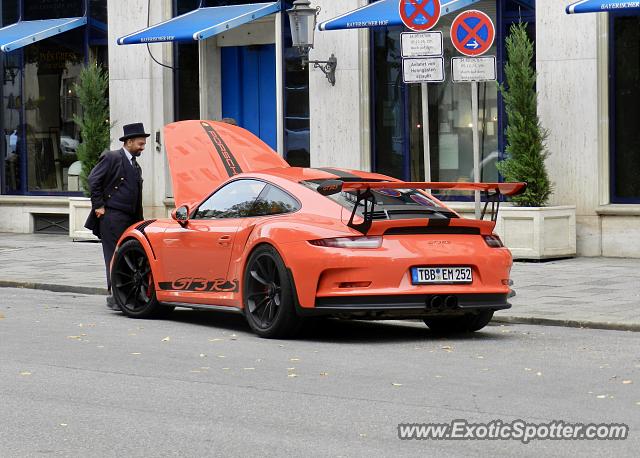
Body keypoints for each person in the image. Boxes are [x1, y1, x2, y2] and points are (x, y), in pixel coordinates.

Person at [85, 123, 149, 310]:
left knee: (128, 257)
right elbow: (93, 180)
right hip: (112, 217)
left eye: (143, 144)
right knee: (113, 256)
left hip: (130, 219)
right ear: (129, 142)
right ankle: (115, 296)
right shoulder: (112, 157)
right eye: (140, 144)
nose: (142, 148)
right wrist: (98, 206)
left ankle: (127, 292)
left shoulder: (135, 165)